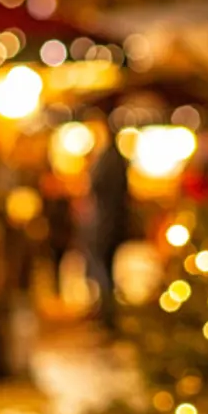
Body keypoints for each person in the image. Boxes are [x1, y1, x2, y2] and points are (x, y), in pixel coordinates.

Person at [78, 123, 133, 331]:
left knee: (102, 265)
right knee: (104, 265)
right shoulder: (114, 158)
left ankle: (107, 312)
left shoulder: (109, 159)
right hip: (109, 222)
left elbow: (100, 189)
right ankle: (105, 309)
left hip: (106, 223)